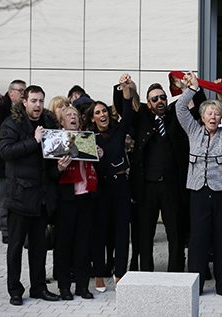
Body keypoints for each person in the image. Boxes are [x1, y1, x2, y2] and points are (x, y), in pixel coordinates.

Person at [176, 72, 222, 295]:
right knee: (198, 239)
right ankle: (195, 285)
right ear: (202, 116)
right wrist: (193, 89)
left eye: (217, 113)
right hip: (198, 191)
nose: (213, 116)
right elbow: (180, 108)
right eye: (209, 113)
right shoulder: (193, 131)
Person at [0, 85, 60, 305]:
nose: (38, 105)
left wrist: (60, 167)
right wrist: (33, 141)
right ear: (24, 101)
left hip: (41, 197)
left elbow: (51, 162)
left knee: (39, 247)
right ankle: (15, 290)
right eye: (34, 101)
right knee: (15, 247)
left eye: (41, 101)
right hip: (19, 197)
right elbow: (6, 152)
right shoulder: (12, 123)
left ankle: (38, 287)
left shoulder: (50, 123)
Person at [128, 81, 194, 273]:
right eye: (154, 99)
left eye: (162, 97)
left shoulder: (175, 116)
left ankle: (176, 272)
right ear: (148, 103)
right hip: (147, 186)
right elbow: (124, 104)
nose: (159, 101)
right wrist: (128, 87)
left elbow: (196, 106)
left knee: (175, 231)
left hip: (172, 185)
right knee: (145, 233)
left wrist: (188, 87)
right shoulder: (143, 118)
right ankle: (146, 272)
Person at [85, 74, 135, 292]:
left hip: (120, 186)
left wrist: (126, 89)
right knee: (99, 231)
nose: (102, 114)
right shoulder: (88, 138)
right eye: (97, 113)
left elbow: (129, 114)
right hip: (99, 189)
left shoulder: (118, 130)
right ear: (92, 118)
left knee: (122, 230)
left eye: (104, 110)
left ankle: (120, 272)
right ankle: (98, 273)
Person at [54, 105, 99, 301]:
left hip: (86, 196)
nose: (73, 118)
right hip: (66, 199)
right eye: (68, 116)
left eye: (75, 115)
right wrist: (59, 168)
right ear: (62, 122)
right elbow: (48, 174)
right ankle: (64, 287)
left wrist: (98, 153)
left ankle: (82, 286)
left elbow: (94, 164)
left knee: (83, 244)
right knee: (64, 244)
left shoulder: (86, 138)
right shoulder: (56, 139)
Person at [0, 79, 26, 244]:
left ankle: (18, 229)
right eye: (21, 91)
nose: (23, 94)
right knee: (4, 196)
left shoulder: (24, 112)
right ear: (11, 93)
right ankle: (5, 229)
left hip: (20, 160)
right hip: (2, 160)